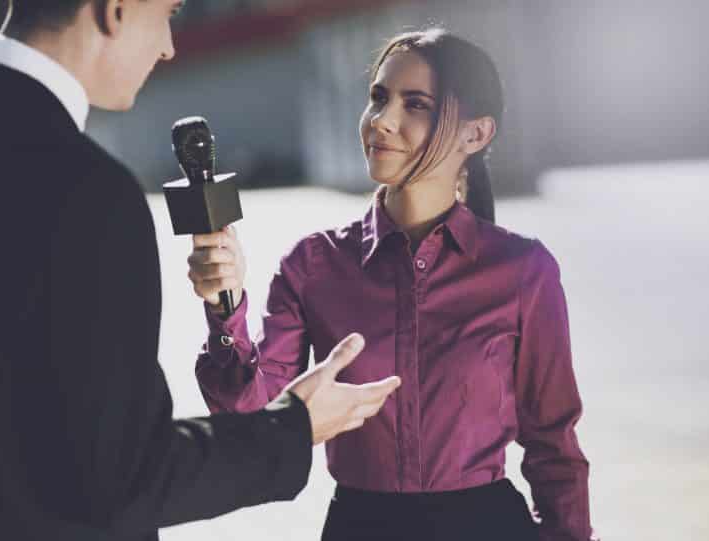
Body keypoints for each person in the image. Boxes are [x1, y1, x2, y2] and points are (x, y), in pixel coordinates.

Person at [0, 1, 402, 540]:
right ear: (115, 11)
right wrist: (292, 428)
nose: (168, 45)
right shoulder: (88, 193)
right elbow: (124, 476)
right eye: (168, 13)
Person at [188, 28, 595, 540]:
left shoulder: (522, 270)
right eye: (378, 98)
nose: (382, 121)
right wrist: (225, 309)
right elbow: (249, 419)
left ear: (476, 134)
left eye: (416, 104)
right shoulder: (314, 265)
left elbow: (554, 446)